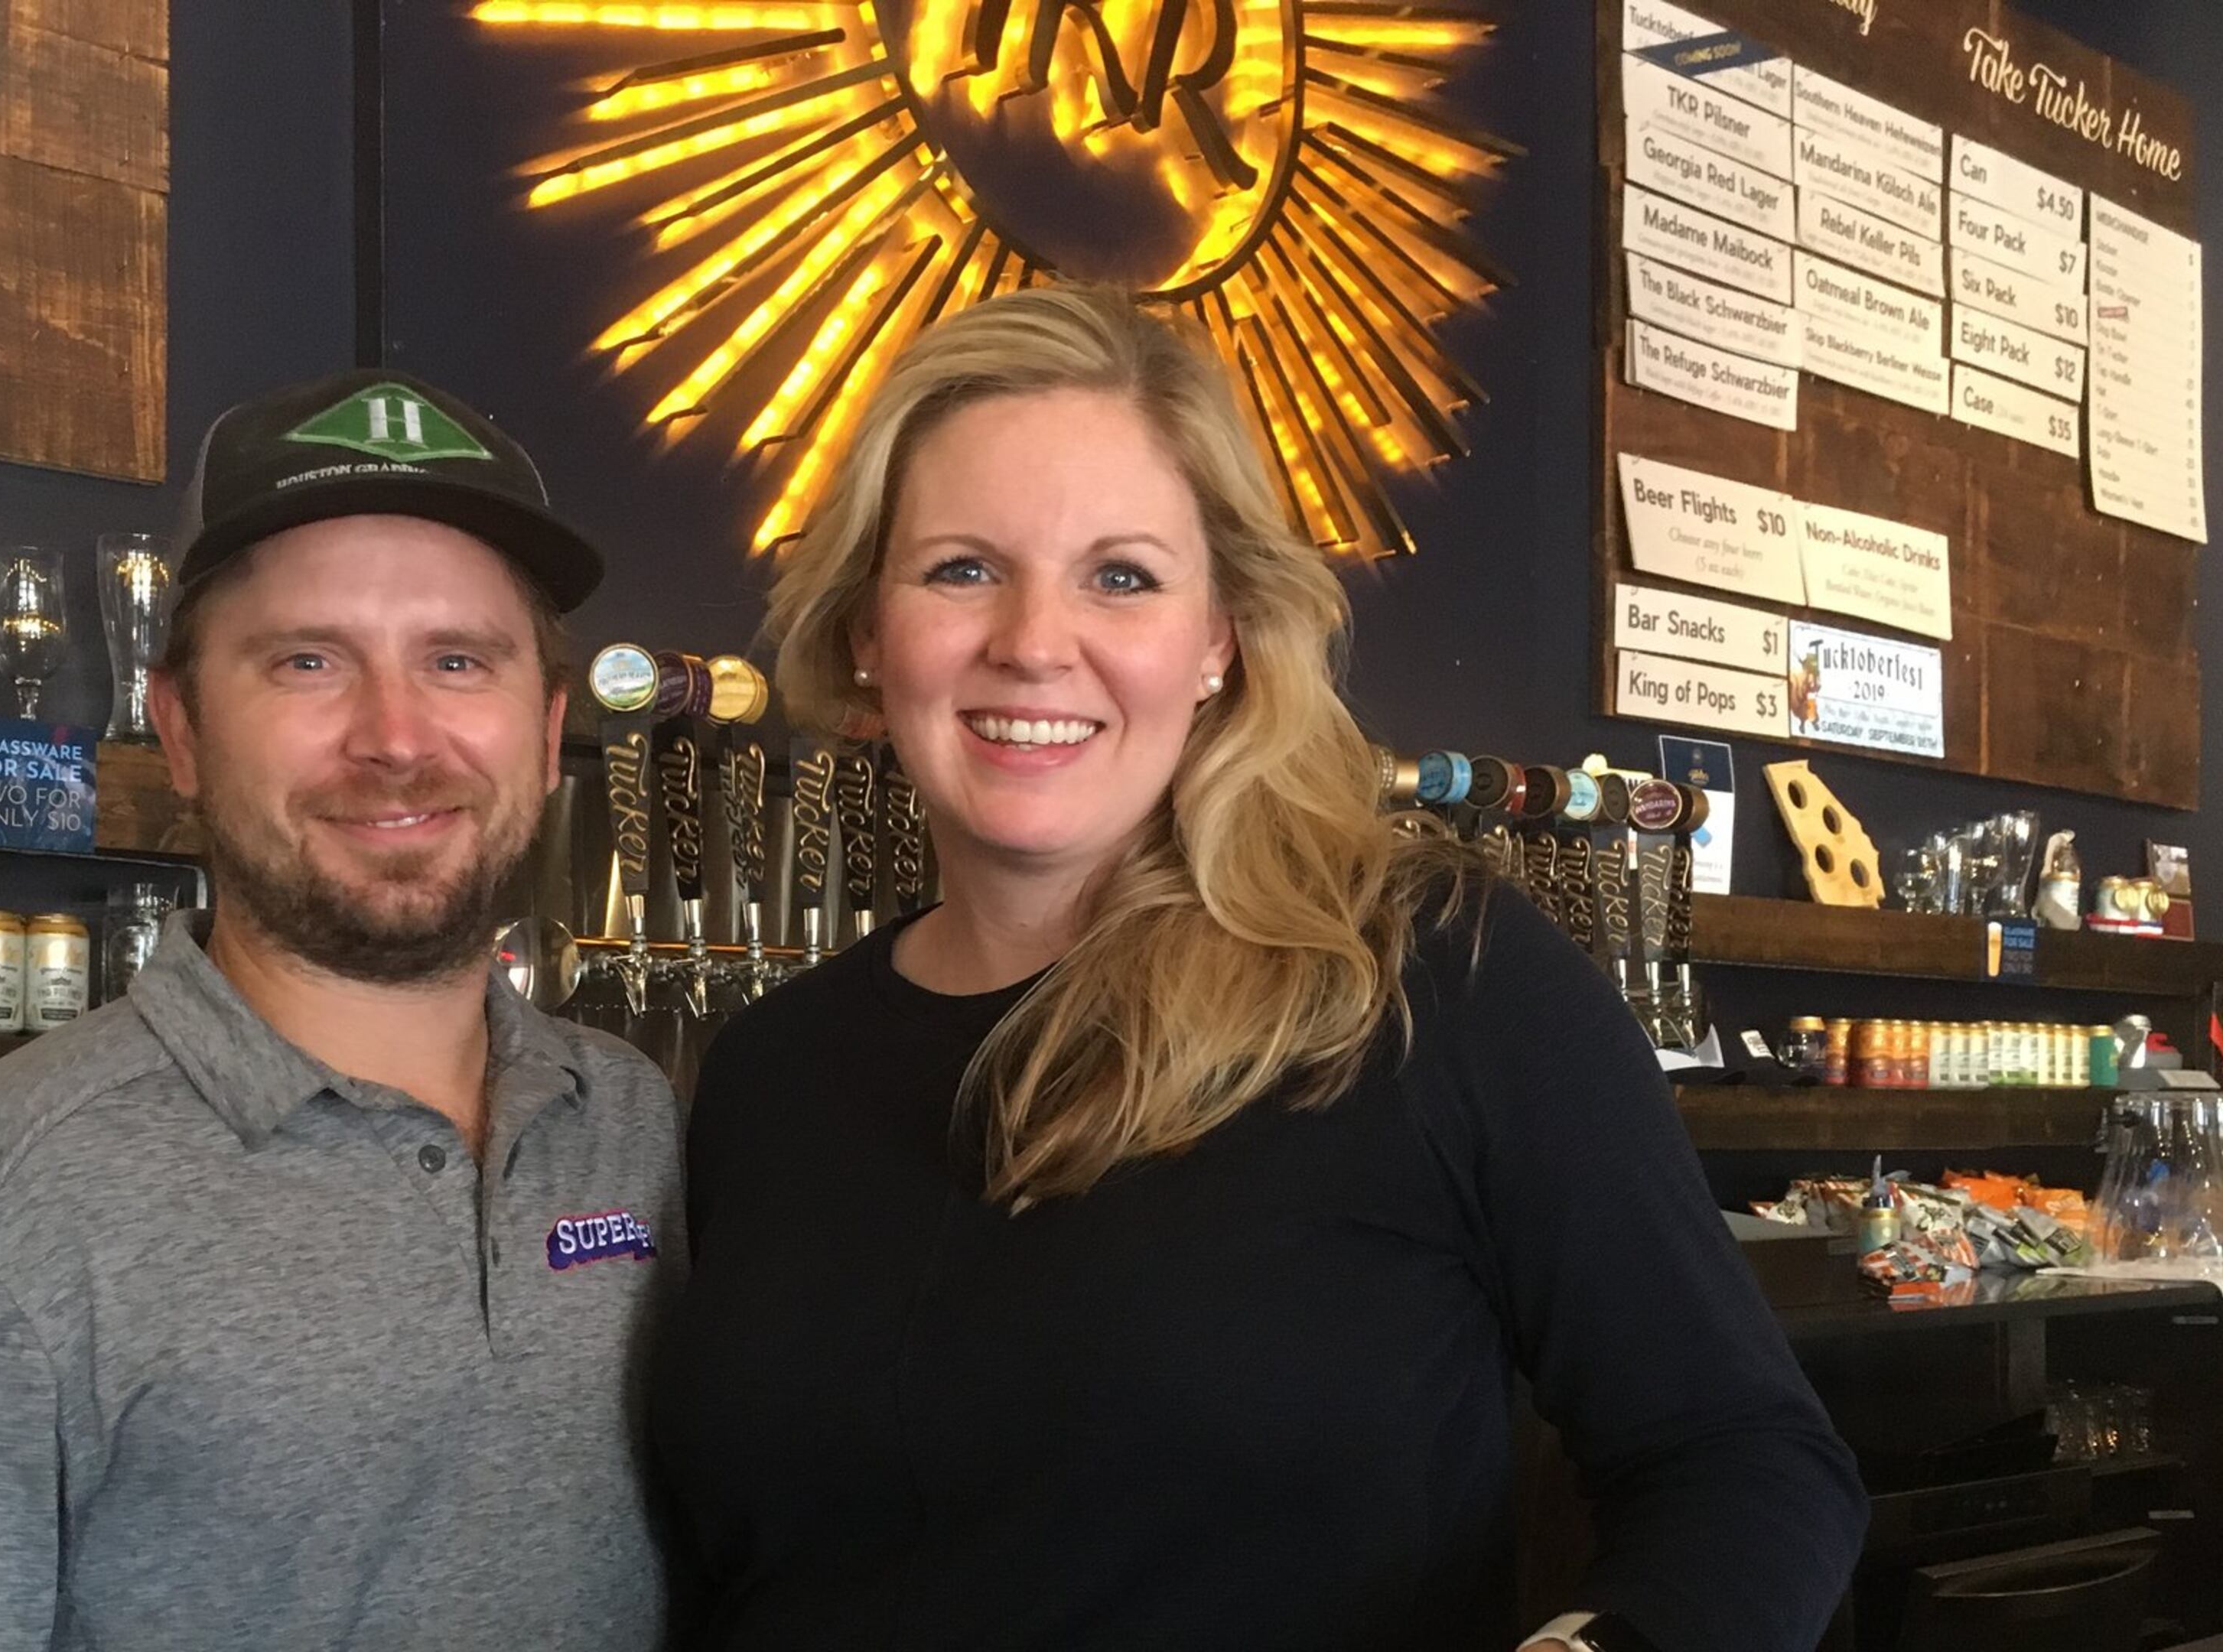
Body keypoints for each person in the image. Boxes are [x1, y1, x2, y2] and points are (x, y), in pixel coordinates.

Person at [648, 288, 1867, 1652]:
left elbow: (1748, 1461)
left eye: (1122, 575)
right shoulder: (766, 1072)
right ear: (869, 632)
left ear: (1219, 638)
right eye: (960, 569)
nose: (1035, 641)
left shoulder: (1427, 982)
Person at [0, 372, 685, 1652]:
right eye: (307, 663)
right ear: (179, 728)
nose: (396, 737)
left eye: (458, 661)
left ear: (547, 722)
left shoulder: (634, 1122)